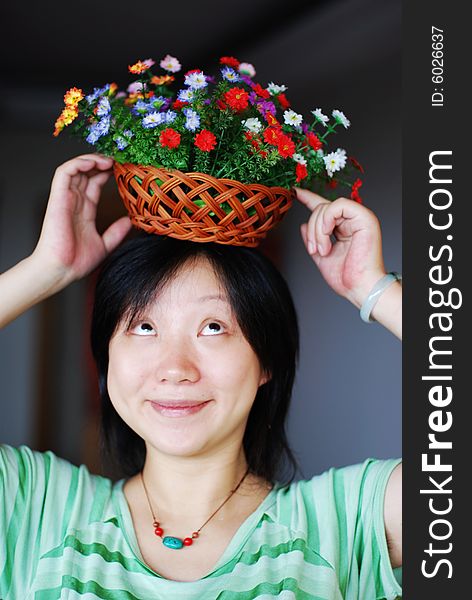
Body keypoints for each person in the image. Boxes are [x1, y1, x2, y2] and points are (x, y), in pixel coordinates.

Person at [0, 154, 402, 599]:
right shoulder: (34, 507)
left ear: (267, 358)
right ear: (105, 355)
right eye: (144, 327)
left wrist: (374, 289)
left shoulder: (345, 524)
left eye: (213, 327)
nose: (175, 368)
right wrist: (44, 270)